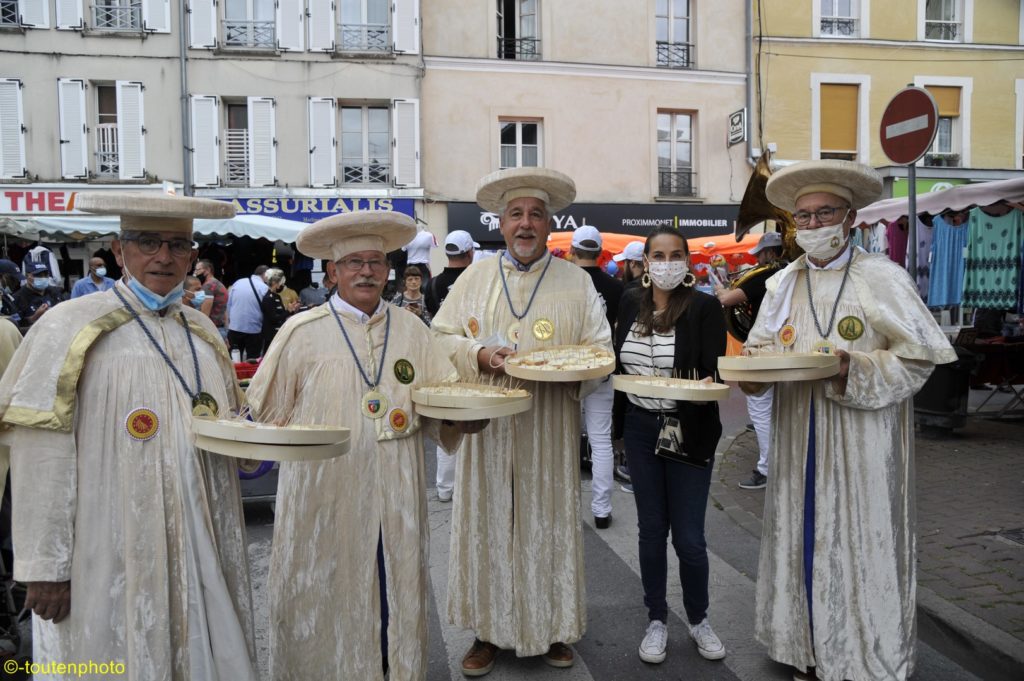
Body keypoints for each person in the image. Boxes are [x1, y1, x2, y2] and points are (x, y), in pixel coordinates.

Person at [0, 192, 257, 679]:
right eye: (147, 242)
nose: (163, 257)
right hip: (105, 548)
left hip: (200, 543)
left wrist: (257, 441)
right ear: (119, 250)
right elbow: (39, 453)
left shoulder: (202, 330)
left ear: (192, 255)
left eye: (177, 245)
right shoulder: (67, 327)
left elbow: (230, 423)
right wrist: (44, 565)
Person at [744, 160, 957, 681]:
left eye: (825, 213)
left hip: (864, 441)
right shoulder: (782, 283)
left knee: (862, 544)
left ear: (851, 217)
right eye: (804, 217)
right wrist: (751, 375)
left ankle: (862, 655)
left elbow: (917, 359)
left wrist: (852, 367)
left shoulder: (882, 276)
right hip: (798, 436)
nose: (814, 225)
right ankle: (805, 649)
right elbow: (759, 351)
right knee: (802, 536)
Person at [246, 211, 481, 681]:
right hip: (324, 495)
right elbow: (265, 415)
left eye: (375, 261)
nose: (367, 271)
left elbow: (440, 400)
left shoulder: (412, 329)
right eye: (354, 262)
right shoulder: (301, 332)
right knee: (325, 590)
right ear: (333, 272)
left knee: (394, 590)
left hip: (395, 493)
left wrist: (463, 418)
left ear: (388, 270)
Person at [431, 167, 612, 675]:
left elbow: (601, 351)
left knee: (546, 524)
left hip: (548, 426)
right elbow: (439, 336)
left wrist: (565, 371)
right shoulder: (473, 278)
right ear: (501, 223)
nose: (526, 223)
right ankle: (487, 632)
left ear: (549, 223)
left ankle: (552, 626)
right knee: (489, 524)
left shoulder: (577, 281)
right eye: (516, 214)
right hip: (487, 431)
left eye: (535, 214)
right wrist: (479, 354)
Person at [611, 226, 728, 666]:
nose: (666, 263)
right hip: (641, 429)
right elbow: (618, 367)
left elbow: (715, 371)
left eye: (675, 255)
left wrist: (706, 382)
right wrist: (617, 430)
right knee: (650, 530)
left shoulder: (704, 307)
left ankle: (699, 619)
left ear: (687, 262)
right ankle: (656, 619)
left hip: (688, 428)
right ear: (644, 262)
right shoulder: (629, 302)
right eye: (658, 256)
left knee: (690, 538)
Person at [715, 231, 787, 490]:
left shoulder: (766, 274)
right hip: (785, 346)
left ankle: (768, 469)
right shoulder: (791, 272)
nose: (757, 259)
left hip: (764, 347)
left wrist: (720, 288)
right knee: (780, 409)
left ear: (770, 253)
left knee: (760, 407)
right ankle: (783, 463)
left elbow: (728, 300)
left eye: (760, 254)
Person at [570, 225, 623, 528]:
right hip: (602, 367)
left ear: (572, 251)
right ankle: (601, 510)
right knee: (601, 439)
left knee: (564, 438)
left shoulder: (565, 283)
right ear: (601, 253)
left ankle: (564, 505)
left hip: (568, 368)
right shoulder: (616, 286)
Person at [425, 229, 478, 503]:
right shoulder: (476, 282)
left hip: (443, 358)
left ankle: (445, 488)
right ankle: (470, 485)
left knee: (448, 421)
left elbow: (431, 322)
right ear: (469, 253)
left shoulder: (432, 284)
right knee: (474, 424)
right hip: (473, 358)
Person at [226, 264, 268, 359]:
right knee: (252, 359)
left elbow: (229, 304)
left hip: (235, 327)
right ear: (265, 274)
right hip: (254, 329)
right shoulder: (264, 288)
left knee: (234, 359)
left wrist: (230, 321)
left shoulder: (238, 282)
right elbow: (267, 309)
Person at [13, 263, 64, 330]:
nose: (43, 278)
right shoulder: (18, 297)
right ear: (27, 276)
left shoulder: (55, 292)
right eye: (38, 275)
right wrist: (35, 317)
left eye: (45, 275)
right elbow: (16, 326)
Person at [260, 268, 296, 351]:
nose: (281, 285)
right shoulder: (268, 298)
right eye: (279, 283)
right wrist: (288, 312)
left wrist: (291, 310)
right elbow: (274, 318)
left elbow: (282, 313)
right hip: (270, 335)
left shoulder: (277, 296)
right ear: (274, 283)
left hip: (278, 332)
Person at [194, 258, 229, 339]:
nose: (195, 273)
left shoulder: (208, 286)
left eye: (198, 270)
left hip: (211, 330)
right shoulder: (217, 283)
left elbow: (204, 315)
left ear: (207, 270)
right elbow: (224, 311)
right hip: (220, 329)